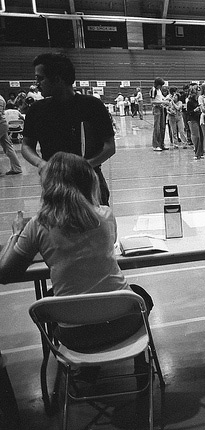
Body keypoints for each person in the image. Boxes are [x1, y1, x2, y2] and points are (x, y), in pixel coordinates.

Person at [0, 152, 153, 357]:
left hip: (75, 336)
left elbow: (5, 273)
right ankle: (141, 367)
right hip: (121, 322)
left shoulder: (38, 225)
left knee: (52, 300)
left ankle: (83, 372)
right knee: (142, 297)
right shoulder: (105, 216)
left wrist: (17, 233)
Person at [22, 53, 115, 205]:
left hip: (89, 181)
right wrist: (40, 164)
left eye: (40, 78)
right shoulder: (37, 110)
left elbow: (109, 146)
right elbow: (26, 145)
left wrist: (86, 166)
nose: (36, 84)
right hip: (54, 183)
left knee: (98, 225)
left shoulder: (92, 106)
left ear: (57, 79)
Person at [0, 94, 22, 175]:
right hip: (2, 124)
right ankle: (17, 168)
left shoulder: (0, 100)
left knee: (7, 146)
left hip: (1, 124)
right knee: (7, 146)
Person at [150, 77, 169, 151]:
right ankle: (155, 145)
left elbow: (159, 99)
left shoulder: (159, 90)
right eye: (160, 85)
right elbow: (152, 101)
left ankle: (161, 144)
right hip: (156, 109)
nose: (161, 87)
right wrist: (163, 102)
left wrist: (164, 100)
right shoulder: (153, 90)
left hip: (161, 108)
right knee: (157, 127)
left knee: (162, 127)